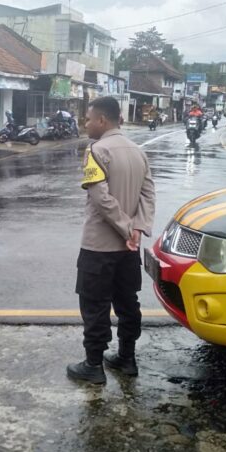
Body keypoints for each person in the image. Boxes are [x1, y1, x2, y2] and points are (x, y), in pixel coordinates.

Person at [67, 96, 156, 385]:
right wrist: (137, 230)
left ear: (103, 120)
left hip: (99, 247)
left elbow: (100, 197)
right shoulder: (137, 152)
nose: (87, 123)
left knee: (94, 304)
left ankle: (93, 365)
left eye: (90, 118)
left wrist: (125, 227)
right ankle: (127, 359)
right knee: (128, 302)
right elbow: (148, 194)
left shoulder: (96, 150)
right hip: (128, 249)